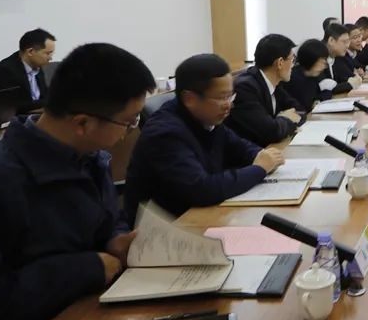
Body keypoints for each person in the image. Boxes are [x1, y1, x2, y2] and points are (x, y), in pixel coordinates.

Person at [0, 43, 155, 320]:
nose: (130, 132)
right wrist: (89, 267)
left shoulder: (91, 156)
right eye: (128, 122)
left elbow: (107, 222)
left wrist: (116, 240)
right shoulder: (3, 178)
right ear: (83, 123)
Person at [124, 54, 284, 223]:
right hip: (168, 227)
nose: (228, 105)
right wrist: (259, 168)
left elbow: (239, 147)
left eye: (230, 96)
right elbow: (201, 189)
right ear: (190, 99)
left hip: (199, 215)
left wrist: (261, 155)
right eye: (221, 98)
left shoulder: (208, 117)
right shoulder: (165, 133)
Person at [225, 34, 303, 147]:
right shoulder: (245, 88)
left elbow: (299, 111)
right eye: (292, 59)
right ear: (280, 62)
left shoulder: (274, 83)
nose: (293, 65)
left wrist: (279, 122)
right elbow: (271, 132)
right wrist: (284, 118)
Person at [0, 28, 56, 113]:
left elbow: (44, 95)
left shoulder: (37, 64)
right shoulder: (5, 70)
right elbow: (15, 107)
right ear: (30, 52)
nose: (50, 58)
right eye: (47, 53)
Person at [286, 39, 333, 112]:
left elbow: (327, 91)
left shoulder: (314, 75)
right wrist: (313, 103)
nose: (324, 66)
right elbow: (303, 106)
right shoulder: (292, 78)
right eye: (321, 62)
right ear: (311, 59)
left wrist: (318, 100)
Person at [320, 23, 362, 95]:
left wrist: (350, 80)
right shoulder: (319, 57)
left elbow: (335, 82)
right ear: (331, 40)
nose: (347, 46)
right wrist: (350, 84)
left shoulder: (333, 56)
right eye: (344, 42)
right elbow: (325, 90)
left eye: (348, 42)